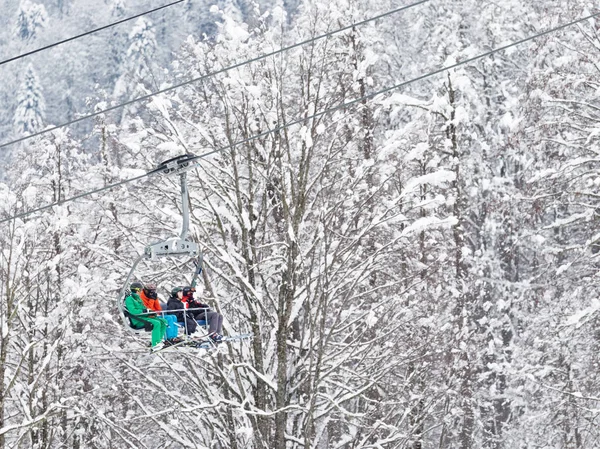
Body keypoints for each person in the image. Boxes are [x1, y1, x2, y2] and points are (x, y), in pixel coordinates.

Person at [125, 282, 168, 350]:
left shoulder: (138, 298)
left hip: (143, 317)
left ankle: (159, 341)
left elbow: (144, 308)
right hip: (138, 320)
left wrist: (150, 312)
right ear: (137, 290)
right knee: (156, 323)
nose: (141, 292)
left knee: (163, 321)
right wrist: (143, 311)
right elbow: (133, 311)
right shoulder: (129, 299)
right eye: (140, 290)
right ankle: (155, 344)